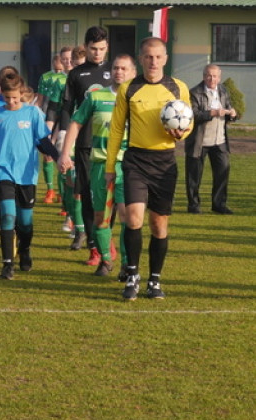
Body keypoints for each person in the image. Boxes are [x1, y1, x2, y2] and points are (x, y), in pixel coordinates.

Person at [105, 37, 191, 301]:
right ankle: (132, 275)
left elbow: (189, 123)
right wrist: (110, 166)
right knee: (133, 219)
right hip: (135, 161)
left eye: (158, 57)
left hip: (164, 163)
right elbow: (117, 128)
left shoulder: (178, 88)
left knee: (158, 225)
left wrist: (181, 134)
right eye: (148, 57)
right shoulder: (129, 89)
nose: (153, 62)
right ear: (141, 59)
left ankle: (154, 281)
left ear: (165, 58)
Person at [0, 72, 59, 280]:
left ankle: (24, 250)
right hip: (2, 172)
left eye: (15, 97)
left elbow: (44, 142)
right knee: (8, 216)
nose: (11, 101)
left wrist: (58, 158)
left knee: (25, 223)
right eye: (7, 98)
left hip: (26, 175)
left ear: (22, 93)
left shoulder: (33, 113)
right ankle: (7, 265)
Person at [58, 54, 137, 276]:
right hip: (101, 166)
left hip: (128, 166)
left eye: (123, 69)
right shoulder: (96, 97)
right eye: (115, 68)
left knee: (126, 217)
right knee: (101, 217)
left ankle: (125, 264)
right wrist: (65, 153)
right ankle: (105, 259)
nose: (118, 72)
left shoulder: (137, 99)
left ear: (132, 73)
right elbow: (75, 123)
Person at [59, 28, 111, 257]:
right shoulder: (76, 75)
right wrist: (65, 148)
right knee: (89, 196)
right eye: (93, 49)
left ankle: (106, 240)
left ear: (107, 47)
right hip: (86, 145)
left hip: (114, 146)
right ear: (86, 47)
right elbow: (68, 112)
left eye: (101, 49)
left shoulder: (117, 72)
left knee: (113, 198)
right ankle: (94, 247)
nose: (98, 53)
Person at [185, 64, 238, 214]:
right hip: (199, 142)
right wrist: (212, 113)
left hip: (219, 141)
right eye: (209, 75)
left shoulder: (223, 90)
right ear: (203, 76)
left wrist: (232, 114)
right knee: (194, 177)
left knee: (222, 173)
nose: (212, 79)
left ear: (219, 77)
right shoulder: (194, 92)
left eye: (215, 76)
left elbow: (228, 108)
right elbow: (193, 115)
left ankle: (219, 205)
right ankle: (193, 206)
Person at [37, 47, 72, 204]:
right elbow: (47, 103)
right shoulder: (50, 78)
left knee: (67, 156)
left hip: (72, 121)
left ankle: (65, 196)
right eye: (63, 59)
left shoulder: (79, 78)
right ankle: (51, 190)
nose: (66, 63)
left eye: (69, 59)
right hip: (54, 115)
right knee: (49, 151)